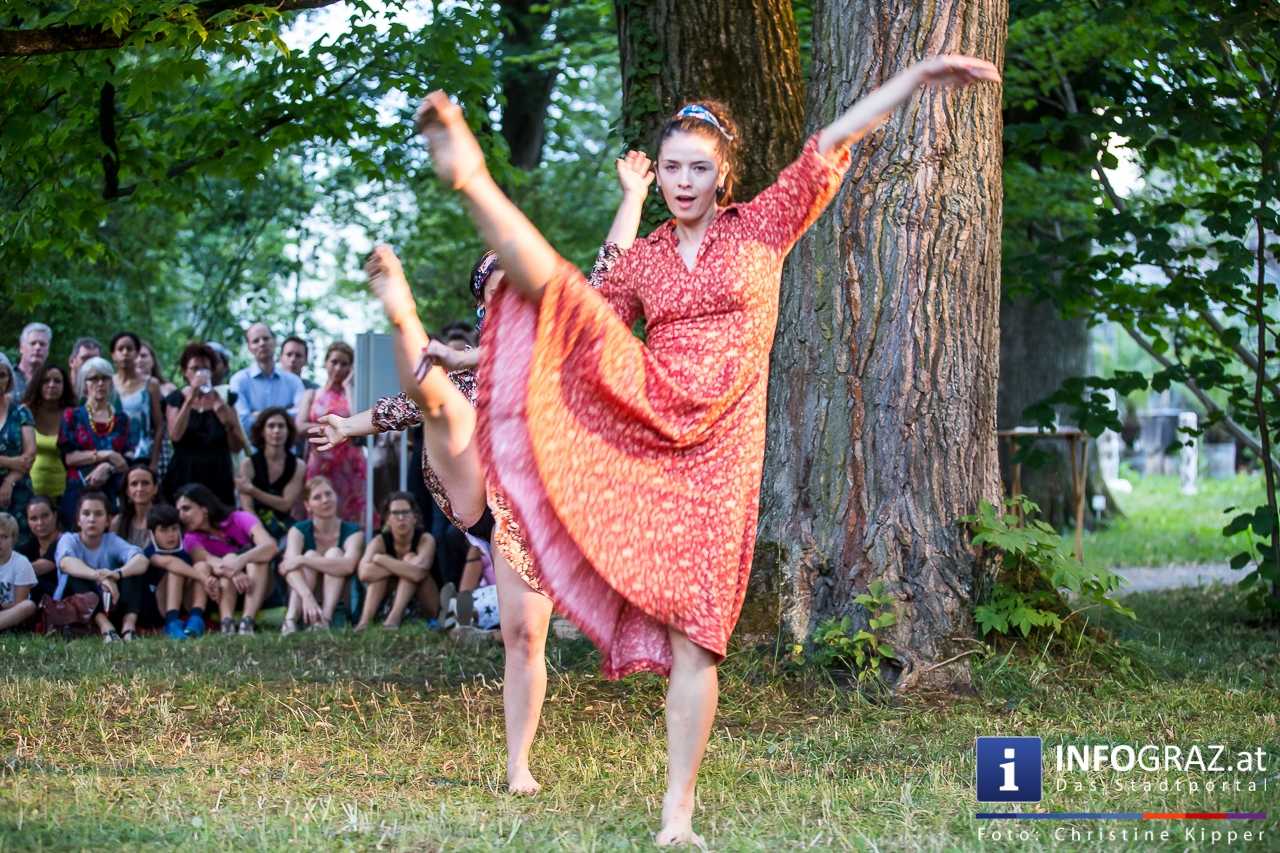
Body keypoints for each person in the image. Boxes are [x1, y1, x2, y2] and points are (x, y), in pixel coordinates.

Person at [413, 57, 999, 843]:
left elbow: (833, 140)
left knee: (698, 633)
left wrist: (919, 74)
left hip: (723, 449)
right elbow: (581, 326)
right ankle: (475, 179)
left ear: (725, 174)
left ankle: (676, 817)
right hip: (650, 417)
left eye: (699, 168)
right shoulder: (649, 257)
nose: (684, 181)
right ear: (655, 176)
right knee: (556, 292)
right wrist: (477, 361)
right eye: (671, 168)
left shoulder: (763, 224)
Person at [313, 153, 653, 795]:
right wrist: (347, 425)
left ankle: (518, 766)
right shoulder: (469, 366)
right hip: (470, 480)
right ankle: (401, 315)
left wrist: (633, 193)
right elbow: (402, 404)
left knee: (525, 637)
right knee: (443, 401)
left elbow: (611, 267)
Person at [176, 482, 277, 635]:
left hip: (256, 586)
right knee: (226, 565)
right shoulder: (190, 538)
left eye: (186, 508)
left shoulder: (239, 518)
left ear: (204, 508)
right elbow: (211, 561)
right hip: (221, 593)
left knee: (256, 560)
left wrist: (241, 560)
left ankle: (246, 622)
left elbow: (270, 546)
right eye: (179, 511)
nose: (181, 516)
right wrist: (234, 571)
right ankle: (227, 623)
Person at [54, 491, 152, 642]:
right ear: (78, 520)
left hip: (108, 603)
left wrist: (117, 574)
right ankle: (106, 628)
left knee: (133, 570)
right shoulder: (69, 539)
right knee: (75, 574)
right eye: (86, 513)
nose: (92, 519)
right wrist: (100, 577)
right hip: (75, 608)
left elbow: (141, 560)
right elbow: (66, 563)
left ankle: (128, 628)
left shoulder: (111, 540)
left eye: (98, 514)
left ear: (107, 521)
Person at [162, 343, 244, 507]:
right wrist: (190, 400)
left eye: (205, 368)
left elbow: (237, 446)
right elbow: (175, 436)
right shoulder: (175, 399)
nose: (200, 373)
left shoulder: (226, 398)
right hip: (184, 473)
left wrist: (226, 421)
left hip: (217, 474)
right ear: (185, 372)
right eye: (195, 368)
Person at [278, 476, 362, 633]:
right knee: (310, 555)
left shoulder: (353, 531)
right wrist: (307, 596)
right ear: (307, 506)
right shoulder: (297, 530)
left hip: (338, 598)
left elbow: (348, 566)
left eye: (329, 494)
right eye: (317, 497)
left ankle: (324, 620)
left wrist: (302, 560)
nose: (325, 500)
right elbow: (286, 568)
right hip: (304, 597)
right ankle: (290, 620)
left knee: (333, 554)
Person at [298, 342, 365, 525]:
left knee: (351, 511)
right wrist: (328, 428)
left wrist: (348, 386)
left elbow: (358, 421)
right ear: (325, 362)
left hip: (350, 464)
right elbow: (300, 426)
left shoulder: (353, 394)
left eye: (344, 364)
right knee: (319, 508)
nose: (338, 368)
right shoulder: (312, 394)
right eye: (334, 362)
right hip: (320, 461)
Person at [58, 357, 130, 525]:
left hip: (112, 493)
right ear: (85, 384)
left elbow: (126, 460)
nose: (100, 383)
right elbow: (69, 458)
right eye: (94, 378)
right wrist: (108, 454)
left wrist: (108, 467)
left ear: (111, 383)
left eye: (105, 378)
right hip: (78, 492)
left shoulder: (121, 419)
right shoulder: (72, 416)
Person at [354, 491, 433, 631]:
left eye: (406, 512)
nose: (401, 517)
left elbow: (418, 574)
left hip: (424, 601)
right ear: (387, 520)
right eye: (395, 513)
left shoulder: (425, 539)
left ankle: (393, 619)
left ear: (414, 517)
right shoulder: (379, 541)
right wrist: (402, 568)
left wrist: (382, 559)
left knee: (410, 558)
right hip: (387, 598)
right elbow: (363, 573)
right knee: (379, 576)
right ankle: (364, 623)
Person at [146, 504, 214, 640]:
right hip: (158, 608)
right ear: (152, 533)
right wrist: (204, 579)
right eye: (164, 530)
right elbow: (170, 563)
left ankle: (196, 618)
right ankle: (171, 622)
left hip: (184, 604)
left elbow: (206, 562)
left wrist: (209, 578)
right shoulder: (150, 553)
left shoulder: (185, 549)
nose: (171, 534)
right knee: (175, 570)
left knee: (202, 565)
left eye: (174, 528)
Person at [235, 407, 304, 541]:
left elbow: (285, 505)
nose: (276, 431)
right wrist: (261, 536)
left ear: (288, 431)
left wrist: (252, 490)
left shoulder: (298, 465)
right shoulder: (248, 464)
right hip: (251, 523)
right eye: (271, 426)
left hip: (282, 523)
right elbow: (247, 507)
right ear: (262, 431)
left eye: (281, 426)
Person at [229, 323, 304, 439]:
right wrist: (285, 414)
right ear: (249, 347)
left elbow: (301, 416)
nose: (262, 343)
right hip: (253, 452)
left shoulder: (294, 381)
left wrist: (258, 415)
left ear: (274, 341)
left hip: (287, 453)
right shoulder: (238, 380)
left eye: (266, 338)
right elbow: (243, 423)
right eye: (256, 341)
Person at [20, 362, 75, 502]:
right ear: (38, 384)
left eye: (57, 381)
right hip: (27, 490)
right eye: (46, 381)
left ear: (64, 386)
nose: (52, 385)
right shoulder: (24, 412)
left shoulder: (73, 415)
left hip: (66, 492)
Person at [110, 332, 164, 470]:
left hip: (142, 455)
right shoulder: (108, 384)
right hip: (111, 454)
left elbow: (159, 425)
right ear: (113, 354)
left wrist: (154, 462)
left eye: (130, 348)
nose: (125, 353)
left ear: (137, 353)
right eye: (120, 349)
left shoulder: (151, 384)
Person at [0, 354, 36, 546]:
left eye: (2, 375)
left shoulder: (21, 411)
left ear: (9, 379)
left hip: (18, 491)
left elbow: (29, 456)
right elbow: (20, 460)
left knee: (18, 550)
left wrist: (9, 481)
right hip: (16, 472)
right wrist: (12, 461)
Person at [19, 496, 61, 606]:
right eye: (33, 518)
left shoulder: (65, 540)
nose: (40, 523)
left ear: (55, 515)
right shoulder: (28, 547)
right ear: (27, 522)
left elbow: (43, 566)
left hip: (63, 599)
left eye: (45, 516)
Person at [0, 512, 38, 632]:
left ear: (13, 539)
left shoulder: (21, 563)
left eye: (4, 537)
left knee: (28, 606)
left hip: (11, 615)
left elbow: (19, 604)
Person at [111, 464, 159, 547]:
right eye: (134, 484)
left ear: (155, 489)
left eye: (145, 483)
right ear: (127, 491)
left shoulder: (164, 520)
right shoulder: (118, 522)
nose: (139, 488)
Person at [12, 322, 51, 400]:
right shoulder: (8, 377)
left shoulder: (52, 381)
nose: (37, 347)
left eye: (42, 344)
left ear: (48, 350)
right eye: (33, 343)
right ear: (21, 348)